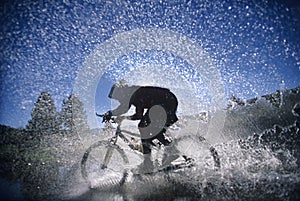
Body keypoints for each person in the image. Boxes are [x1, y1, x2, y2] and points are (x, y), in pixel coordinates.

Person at [102, 83, 179, 173]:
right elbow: (124, 108)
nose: (118, 100)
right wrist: (111, 113)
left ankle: (149, 163)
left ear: (121, 92)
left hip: (166, 102)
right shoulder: (132, 93)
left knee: (143, 127)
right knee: (150, 130)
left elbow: (138, 115)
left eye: (117, 97)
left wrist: (121, 117)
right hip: (168, 101)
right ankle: (167, 152)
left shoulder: (135, 94)